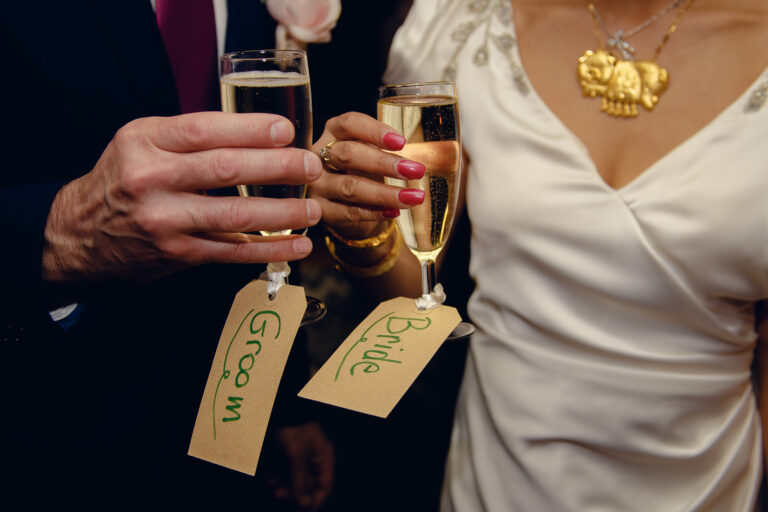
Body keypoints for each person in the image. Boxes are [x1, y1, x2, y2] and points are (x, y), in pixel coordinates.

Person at [309, 0, 768, 510]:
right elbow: (411, 289)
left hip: (711, 485)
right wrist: (362, 231)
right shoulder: (466, 22)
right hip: (497, 478)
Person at [0, 1, 336, 509]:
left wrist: (286, 401)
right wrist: (59, 231)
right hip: (49, 431)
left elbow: (264, 200)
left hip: (234, 418)